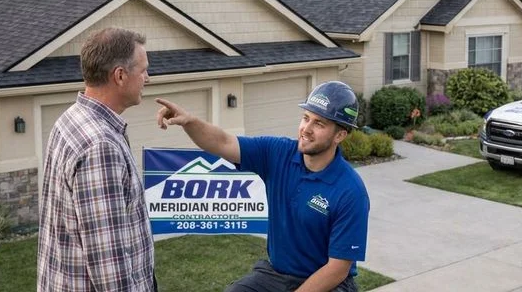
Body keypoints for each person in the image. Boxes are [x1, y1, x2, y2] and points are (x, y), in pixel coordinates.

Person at [156, 80, 370, 292]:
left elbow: (337, 269)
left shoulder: (350, 191)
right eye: (306, 118)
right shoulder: (278, 153)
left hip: (330, 284)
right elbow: (223, 142)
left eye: (319, 123)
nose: (306, 129)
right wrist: (189, 122)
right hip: (278, 275)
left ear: (340, 135)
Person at [38, 28, 157, 292]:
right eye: (143, 70)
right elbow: (110, 269)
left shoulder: (70, 120)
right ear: (120, 76)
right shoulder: (100, 146)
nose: (147, 78)